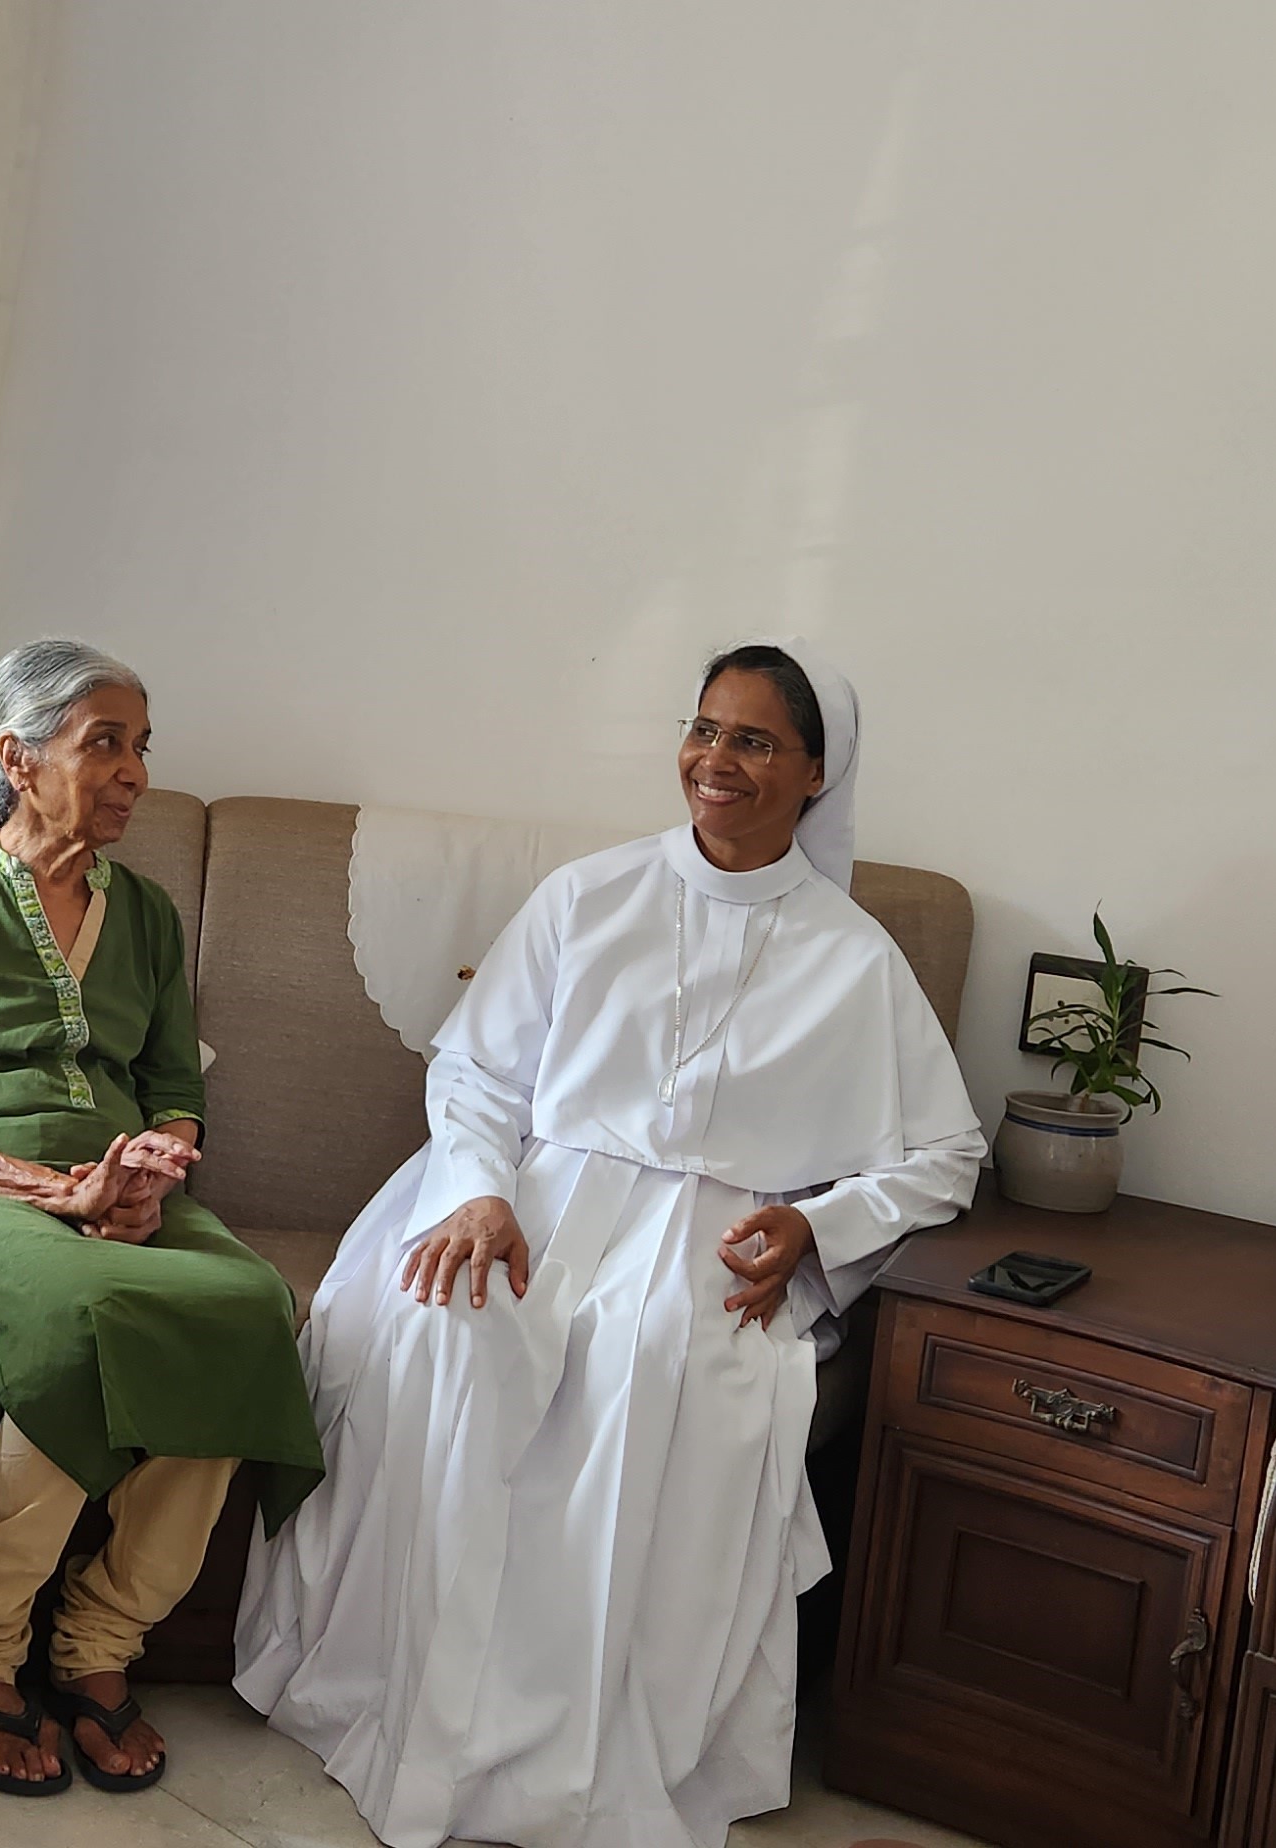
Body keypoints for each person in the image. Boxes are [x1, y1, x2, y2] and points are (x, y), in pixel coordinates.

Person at [235, 641, 986, 1848]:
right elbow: (478, 1069)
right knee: (449, 1325)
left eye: (753, 740)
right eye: (704, 729)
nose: (715, 760)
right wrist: (478, 1193)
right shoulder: (591, 895)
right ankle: (417, 1694)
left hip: (711, 1234)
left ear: (813, 772)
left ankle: (573, 1745)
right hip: (535, 1198)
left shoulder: (854, 956)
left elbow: (945, 1156)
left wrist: (812, 1227)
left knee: (659, 1372)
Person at [0, 637, 322, 1798]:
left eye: (140, 746)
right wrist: (53, 1194)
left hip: (115, 1196)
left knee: (248, 1306)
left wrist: (155, 1167)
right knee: (83, 1312)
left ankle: (100, 1642)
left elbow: (175, 1088)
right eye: (103, 742)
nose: (132, 771)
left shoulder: (151, 917)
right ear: (18, 758)